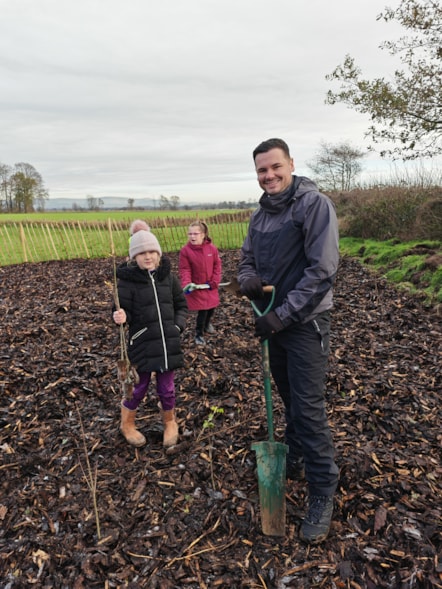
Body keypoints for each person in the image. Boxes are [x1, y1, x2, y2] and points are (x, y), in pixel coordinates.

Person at [237, 138, 340, 544]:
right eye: (262, 170)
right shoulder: (259, 215)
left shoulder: (313, 206)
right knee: (290, 399)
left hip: (303, 324)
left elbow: (322, 270)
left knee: (309, 410)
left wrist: (283, 315)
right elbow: (247, 257)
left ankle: (322, 490)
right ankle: (294, 456)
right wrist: (246, 278)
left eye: (275, 167)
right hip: (272, 322)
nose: (269, 176)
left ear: (291, 164)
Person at [113, 229, 188, 448]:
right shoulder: (127, 282)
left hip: (167, 344)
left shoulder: (168, 277)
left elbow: (181, 305)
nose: (148, 256)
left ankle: (170, 422)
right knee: (137, 387)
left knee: (167, 388)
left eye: (152, 252)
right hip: (143, 344)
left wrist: (177, 326)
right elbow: (121, 312)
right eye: (142, 253)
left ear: (159, 253)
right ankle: (127, 424)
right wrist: (120, 316)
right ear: (134, 257)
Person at [179, 221, 222, 345]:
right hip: (196, 287)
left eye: (195, 234)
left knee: (212, 307)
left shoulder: (211, 249)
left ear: (203, 234)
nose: (192, 236)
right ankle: (199, 333)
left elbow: (217, 265)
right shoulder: (185, 251)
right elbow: (185, 269)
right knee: (203, 310)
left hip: (210, 285)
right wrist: (187, 283)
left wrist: (215, 280)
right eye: (190, 234)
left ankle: (208, 323)